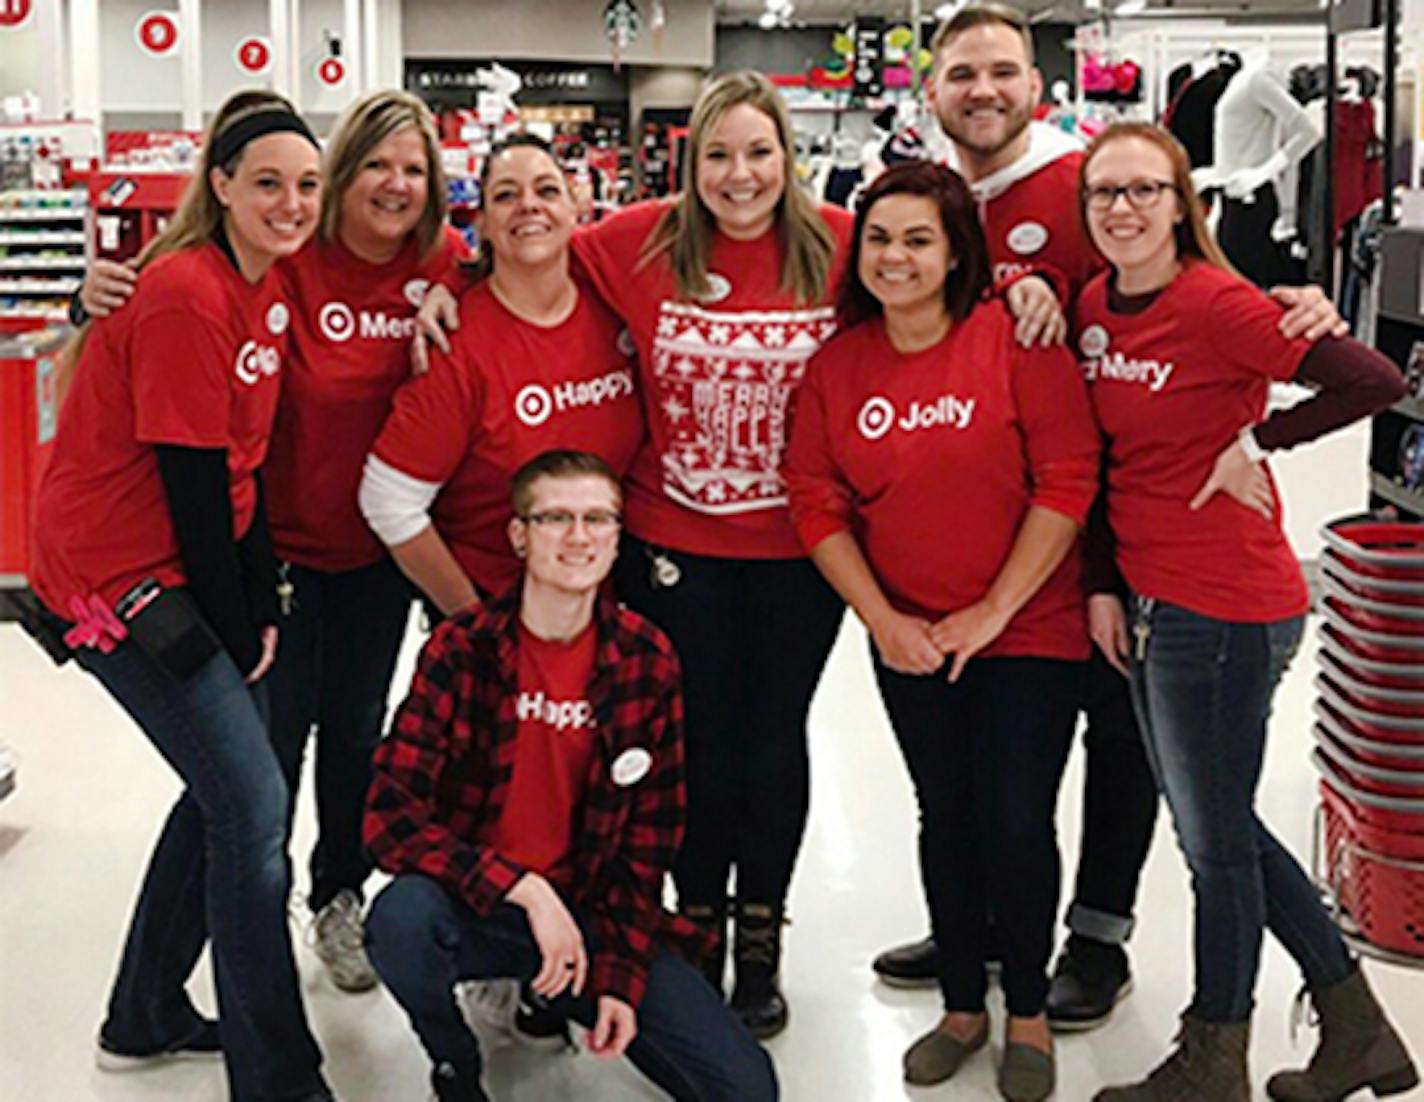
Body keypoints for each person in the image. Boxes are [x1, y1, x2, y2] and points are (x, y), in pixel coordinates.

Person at [871, 2, 1350, 1031]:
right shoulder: (937, 194)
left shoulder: (1085, 182)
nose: (983, 91)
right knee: (998, 751)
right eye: (961, 75)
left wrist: (1293, 314)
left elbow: (1182, 281)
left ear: (1036, 87)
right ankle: (991, 927)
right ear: (932, 93)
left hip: (1118, 525)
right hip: (993, 527)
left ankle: (1095, 934)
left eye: (1002, 70)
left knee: (1120, 738)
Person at [415, 71, 853, 1037]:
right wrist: (439, 289)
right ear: (690, 164)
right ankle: (689, 922)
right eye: (719, 156)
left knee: (774, 738)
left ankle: (761, 933)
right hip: (670, 545)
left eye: (759, 153)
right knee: (686, 741)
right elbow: (527, 248)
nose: (740, 176)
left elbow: (935, 269)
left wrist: (1025, 290)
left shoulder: (839, 245)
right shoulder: (642, 241)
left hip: (798, 548)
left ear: (789, 156)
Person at [77, 90, 468, 995]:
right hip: (272, 554)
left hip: (379, 555)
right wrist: (88, 288)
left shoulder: (445, 263)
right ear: (341, 176)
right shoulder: (292, 256)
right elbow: (183, 298)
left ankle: (340, 898)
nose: (395, 184)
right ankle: (245, 923)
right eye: (376, 164)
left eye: (414, 169)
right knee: (266, 756)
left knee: (359, 737)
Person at [1076, 122, 1417, 1102]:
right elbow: (1104, 462)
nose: (1122, 208)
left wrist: (1259, 440)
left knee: (1212, 846)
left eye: (1144, 190)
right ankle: (1356, 1029)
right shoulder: (1095, 305)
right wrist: (1102, 579)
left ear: (1182, 202)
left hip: (1221, 610)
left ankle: (1212, 1058)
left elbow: (1372, 378)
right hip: (1148, 597)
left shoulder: (1215, 302)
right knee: (1214, 828)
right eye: (1104, 192)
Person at [28, 92, 335, 1100]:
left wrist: (264, 605)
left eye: (304, 184)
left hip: (180, 561)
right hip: (115, 577)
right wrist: (239, 621)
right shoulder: (183, 293)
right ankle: (277, 1074)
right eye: (266, 185)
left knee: (227, 796)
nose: (289, 203)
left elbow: (239, 475)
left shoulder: (270, 289)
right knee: (252, 809)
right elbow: (193, 484)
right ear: (221, 189)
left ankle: (144, 1011)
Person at [786, 161, 1099, 1102]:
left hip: (1027, 628)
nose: (896, 257)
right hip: (910, 639)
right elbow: (814, 500)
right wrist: (882, 621)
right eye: (880, 238)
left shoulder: (1014, 337)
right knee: (945, 815)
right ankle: (964, 1004)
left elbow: (1068, 478)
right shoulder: (839, 365)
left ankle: (1030, 1010)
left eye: (920, 238)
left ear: (960, 249)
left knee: (1014, 817)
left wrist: (992, 610)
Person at [362, 449, 778, 1102]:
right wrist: (525, 889)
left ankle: (554, 993)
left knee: (745, 1090)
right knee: (400, 920)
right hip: (477, 905)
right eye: (556, 518)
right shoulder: (462, 650)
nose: (579, 537)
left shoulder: (647, 661)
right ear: (519, 536)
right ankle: (452, 1057)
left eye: (598, 519)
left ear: (619, 538)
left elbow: (648, 847)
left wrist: (618, 978)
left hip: (590, 918)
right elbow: (389, 819)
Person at [359, 133, 642, 616]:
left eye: (547, 191)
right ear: (484, 224)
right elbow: (388, 500)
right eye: (506, 195)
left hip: (609, 609)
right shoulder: (457, 343)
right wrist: (472, 620)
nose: (529, 206)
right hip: (502, 608)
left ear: (576, 208)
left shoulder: (615, 304)